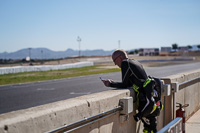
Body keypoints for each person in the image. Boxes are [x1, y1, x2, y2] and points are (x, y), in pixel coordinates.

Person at [102, 49, 162, 133]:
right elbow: (132, 82)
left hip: (145, 104)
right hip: (150, 100)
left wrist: (110, 84)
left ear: (119, 58)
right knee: (150, 128)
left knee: (149, 129)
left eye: (114, 61)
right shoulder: (134, 61)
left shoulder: (125, 63)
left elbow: (124, 84)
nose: (115, 64)